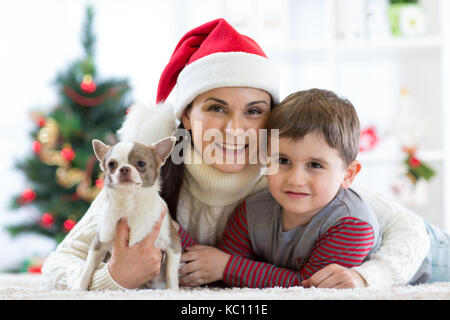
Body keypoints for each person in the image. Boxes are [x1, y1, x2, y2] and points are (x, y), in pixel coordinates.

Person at [42, 18, 431, 290]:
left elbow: (410, 230)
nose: (234, 129)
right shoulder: (152, 179)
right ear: (186, 117)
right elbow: (58, 265)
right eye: (215, 108)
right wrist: (115, 278)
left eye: (254, 111)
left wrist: (369, 277)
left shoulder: (286, 172)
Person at [196, 89, 430, 288]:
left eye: (315, 165)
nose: (296, 179)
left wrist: (227, 266)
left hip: (429, 254)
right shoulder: (250, 211)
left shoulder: (351, 224)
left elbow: (311, 286)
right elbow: (215, 270)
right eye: (283, 161)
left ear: (348, 175)